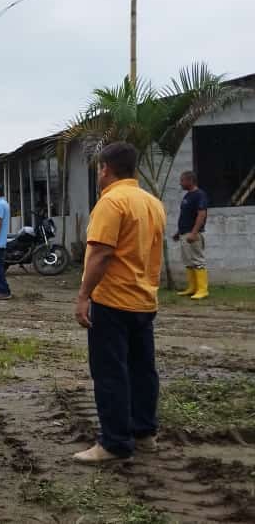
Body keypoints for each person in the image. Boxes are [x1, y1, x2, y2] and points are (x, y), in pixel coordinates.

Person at [74, 142, 166, 463]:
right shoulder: (152, 203)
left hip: (112, 301)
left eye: (99, 168)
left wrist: (83, 296)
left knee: (110, 372)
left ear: (106, 169)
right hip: (144, 300)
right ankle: (144, 434)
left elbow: (101, 253)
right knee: (143, 371)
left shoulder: (111, 202)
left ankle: (114, 443)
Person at [172, 171, 209, 300]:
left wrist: (194, 233)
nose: (180, 183)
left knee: (197, 260)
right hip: (184, 233)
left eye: (182, 180)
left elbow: (201, 214)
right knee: (188, 261)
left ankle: (202, 290)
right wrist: (178, 232)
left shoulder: (199, 195)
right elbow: (186, 216)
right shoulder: (188, 195)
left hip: (193, 234)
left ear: (190, 181)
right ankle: (192, 288)